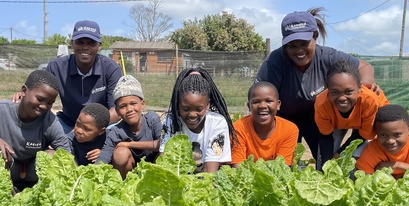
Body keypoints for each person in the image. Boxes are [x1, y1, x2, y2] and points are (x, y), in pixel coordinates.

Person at [255, 7, 378, 166]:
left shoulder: (328, 56)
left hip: (318, 117)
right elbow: (260, 95)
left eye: (304, 43)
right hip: (284, 118)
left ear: (315, 37)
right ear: (285, 44)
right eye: (292, 45)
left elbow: (364, 67)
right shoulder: (275, 61)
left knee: (323, 163)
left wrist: (365, 85)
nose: (299, 50)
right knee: (285, 164)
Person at [13, 20, 123, 134]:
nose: (85, 47)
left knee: (117, 134)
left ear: (99, 46)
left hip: (99, 125)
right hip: (67, 123)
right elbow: (38, 96)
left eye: (91, 43)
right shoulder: (56, 67)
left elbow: (116, 111)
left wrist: (86, 128)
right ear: (72, 43)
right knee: (39, 123)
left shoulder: (110, 68)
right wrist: (23, 96)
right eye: (80, 42)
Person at [0, 70, 71, 192]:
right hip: (8, 169)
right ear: (24, 91)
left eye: (50, 103)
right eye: (40, 99)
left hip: (33, 172)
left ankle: (39, 194)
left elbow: (67, 157)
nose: (44, 106)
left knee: (53, 156)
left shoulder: (50, 122)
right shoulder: (3, 110)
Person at [159, 68, 237, 173]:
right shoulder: (171, 121)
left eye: (199, 109)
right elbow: (164, 161)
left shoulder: (217, 122)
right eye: (186, 109)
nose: (192, 114)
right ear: (178, 104)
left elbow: (210, 172)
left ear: (208, 105)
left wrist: (194, 187)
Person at [315, 60, 389, 166]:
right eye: (334, 92)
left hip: (366, 125)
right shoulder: (321, 103)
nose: (342, 98)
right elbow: (325, 136)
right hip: (339, 123)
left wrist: (339, 154)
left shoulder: (369, 100)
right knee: (322, 161)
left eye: (349, 91)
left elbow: (364, 135)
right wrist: (326, 166)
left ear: (359, 88)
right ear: (328, 90)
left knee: (357, 160)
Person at [96, 75, 162, 180]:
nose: (129, 109)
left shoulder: (152, 120)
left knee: (164, 153)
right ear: (117, 111)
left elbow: (162, 144)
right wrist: (91, 175)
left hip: (154, 172)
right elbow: (103, 158)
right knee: (121, 153)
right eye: (123, 106)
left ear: (143, 104)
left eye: (133, 103)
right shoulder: (116, 132)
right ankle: (124, 187)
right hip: (130, 175)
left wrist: (129, 144)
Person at [231, 81, 299, 167]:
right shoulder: (238, 128)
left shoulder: (289, 129)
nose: (262, 105)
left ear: (278, 105)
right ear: (249, 107)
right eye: (256, 102)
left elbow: (283, 168)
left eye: (269, 101)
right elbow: (238, 167)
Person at [356, 104, 409, 179]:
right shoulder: (371, 153)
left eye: (397, 134)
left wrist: (398, 166)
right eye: (383, 135)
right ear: (376, 133)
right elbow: (365, 181)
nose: (390, 141)